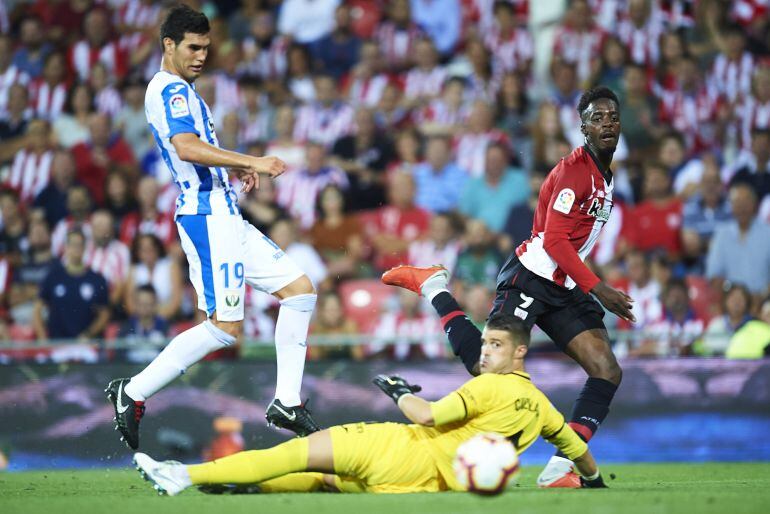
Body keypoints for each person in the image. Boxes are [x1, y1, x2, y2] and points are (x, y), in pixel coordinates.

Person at [383, 86, 634, 488]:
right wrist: (598, 288)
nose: (607, 124)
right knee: (485, 365)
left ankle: (560, 468)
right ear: (583, 127)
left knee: (606, 369)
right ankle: (434, 287)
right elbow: (554, 241)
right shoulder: (574, 173)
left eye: (613, 117)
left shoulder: (605, 174)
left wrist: (584, 283)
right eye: (597, 118)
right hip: (531, 277)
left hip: (564, 283)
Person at [106, 5, 319, 451]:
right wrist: (252, 160)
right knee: (224, 327)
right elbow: (186, 147)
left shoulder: (182, 89)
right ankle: (133, 391)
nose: (201, 55)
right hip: (206, 216)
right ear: (168, 44)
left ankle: (287, 401)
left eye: (206, 47)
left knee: (300, 291)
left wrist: (231, 170)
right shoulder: (171, 90)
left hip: (225, 211)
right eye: (193, 47)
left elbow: (196, 150)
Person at [132, 312, 607, 496]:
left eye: (496, 346)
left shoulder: (489, 387)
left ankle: (183, 475)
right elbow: (577, 450)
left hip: (400, 449)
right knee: (324, 480)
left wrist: (399, 391)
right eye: (484, 344)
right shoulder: (543, 408)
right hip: (421, 486)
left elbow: (426, 415)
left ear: (520, 352)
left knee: (292, 454)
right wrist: (593, 481)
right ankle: (241, 488)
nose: (484, 353)